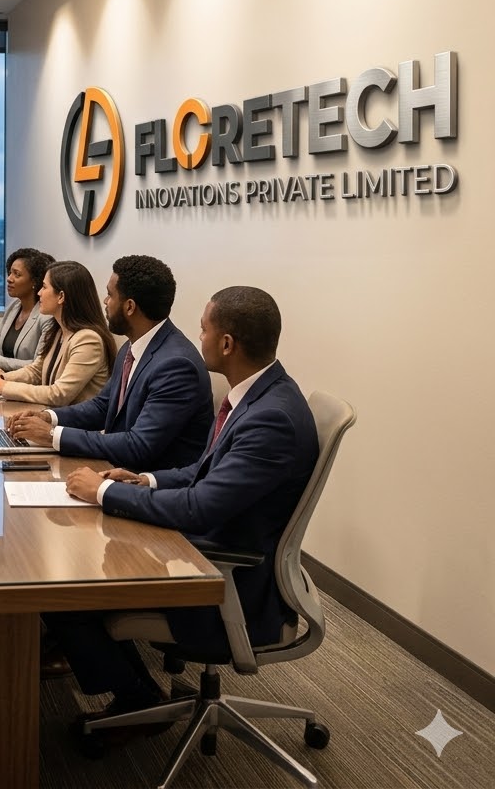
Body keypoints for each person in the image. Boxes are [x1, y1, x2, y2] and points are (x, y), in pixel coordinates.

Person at [43, 286, 319, 731]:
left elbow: (199, 508)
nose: (199, 336)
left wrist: (103, 494)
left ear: (227, 343)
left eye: (205, 328)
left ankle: (137, 702)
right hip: (211, 549)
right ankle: (137, 689)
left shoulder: (271, 418)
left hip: (225, 577)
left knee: (67, 593)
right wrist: (144, 480)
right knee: (79, 565)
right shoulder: (261, 394)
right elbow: (202, 471)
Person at [6, 255, 212, 470]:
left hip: (147, 485)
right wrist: (48, 417)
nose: (105, 302)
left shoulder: (176, 365)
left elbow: (139, 446)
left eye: (110, 295)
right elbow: (103, 406)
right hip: (114, 468)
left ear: (129, 306)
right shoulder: (133, 346)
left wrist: (52, 435)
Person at [0, 261, 115, 407]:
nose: (39, 293)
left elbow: (59, 395)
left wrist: (3, 387)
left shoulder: (88, 340)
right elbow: (37, 370)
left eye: (44, 287)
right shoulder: (58, 331)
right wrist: (2, 377)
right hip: (50, 416)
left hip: (73, 426)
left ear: (61, 296)